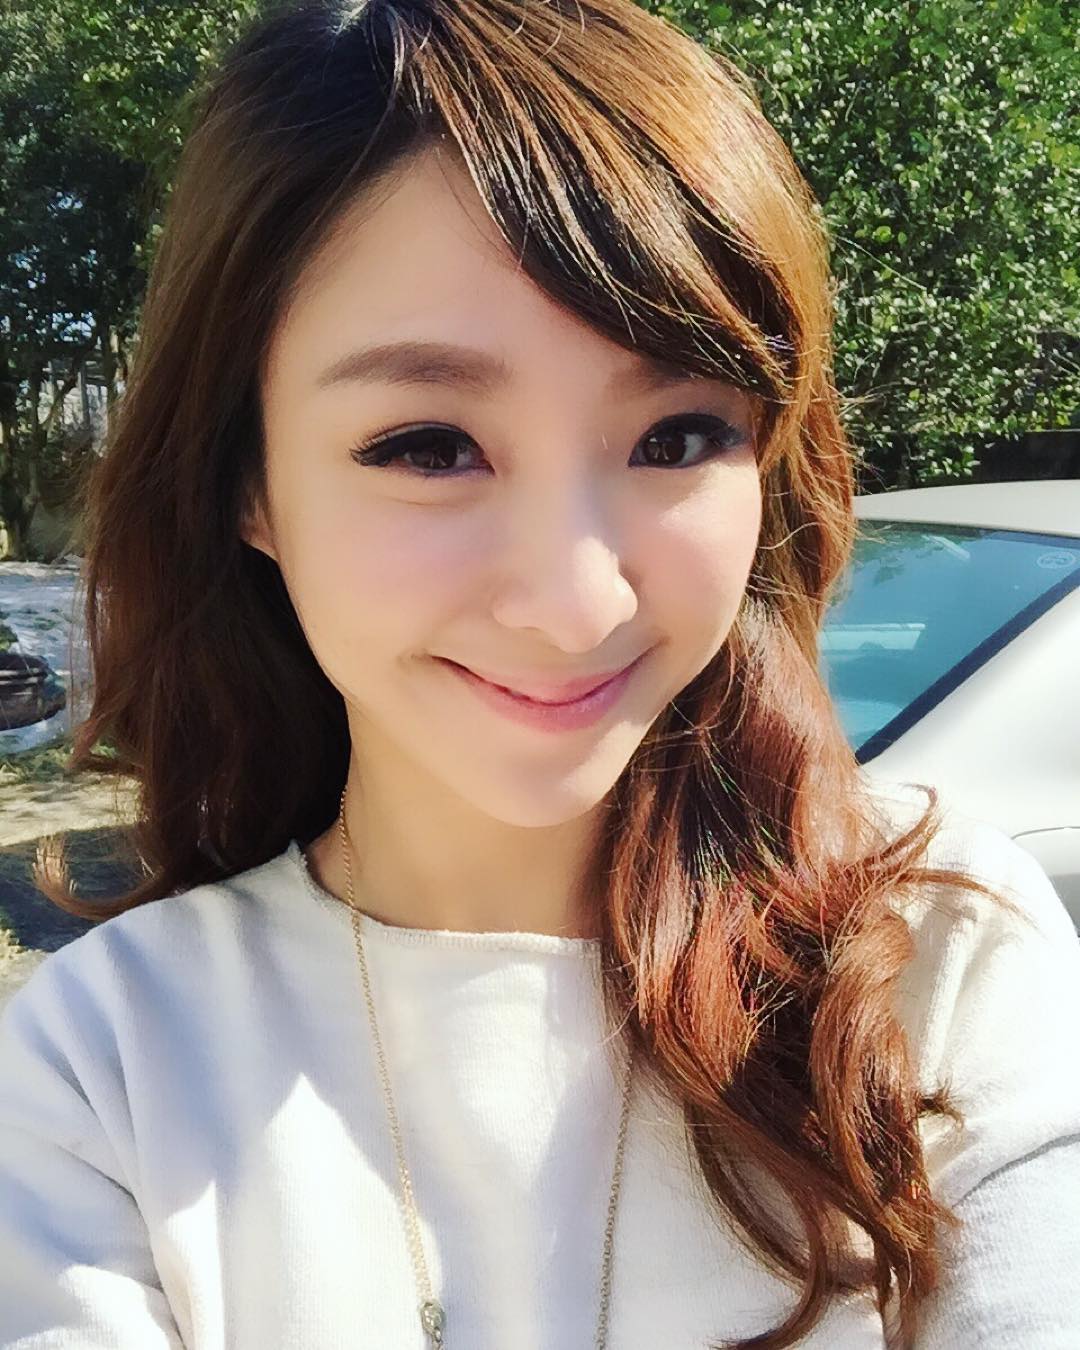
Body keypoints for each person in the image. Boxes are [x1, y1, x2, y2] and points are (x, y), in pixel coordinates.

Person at [1, 0, 1078, 1345]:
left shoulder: (940, 957)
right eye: (429, 446)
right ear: (247, 485)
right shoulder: (108, 1067)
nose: (577, 605)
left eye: (678, 436)